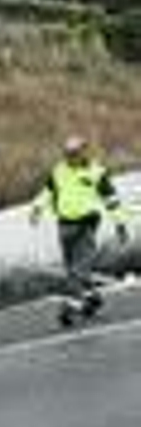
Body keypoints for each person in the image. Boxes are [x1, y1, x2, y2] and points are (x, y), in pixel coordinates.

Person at [30, 135, 128, 327]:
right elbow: (48, 192)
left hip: (86, 225)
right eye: (68, 154)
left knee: (78, 270)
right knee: (71, 268)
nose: (70, 158)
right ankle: (92, 297)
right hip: (65, 226)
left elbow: (112, 201)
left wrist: (120, 224)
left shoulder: (97, 173)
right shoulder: (59, 171)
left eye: (74, 153)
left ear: (84, 152)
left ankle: (70, 308)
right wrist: (37, 208)